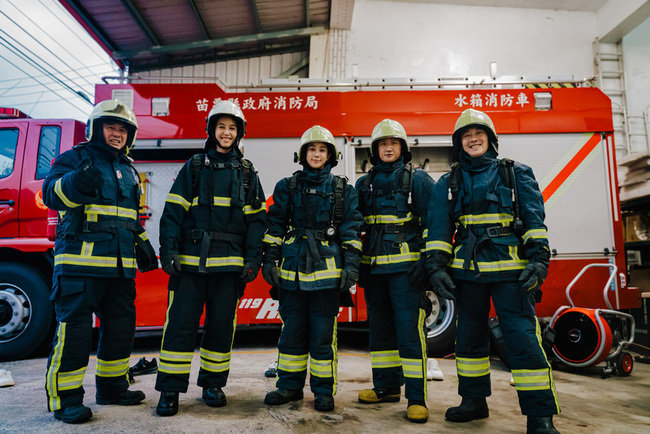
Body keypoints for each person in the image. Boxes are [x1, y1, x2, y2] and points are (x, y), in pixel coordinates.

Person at [425, 108, 559, 434]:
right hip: (467, 276)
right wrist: (436, 268)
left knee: (523, 341)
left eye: (478, 134)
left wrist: (539, 261)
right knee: (469, 341)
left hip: (512, 274)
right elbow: (439, 229)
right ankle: (473, 401)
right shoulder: (448, 181)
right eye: (466, 136)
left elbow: (533, 222)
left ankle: (540, 416)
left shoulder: (516, 174)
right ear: (460, 143)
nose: (473, 139)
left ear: (491, 139)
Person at [43, 99, 159, 424]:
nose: (117, 133)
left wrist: (144, 243)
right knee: (75, 332)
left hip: (120, 268)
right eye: (111, 127)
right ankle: (65, 400)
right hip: (80, 266)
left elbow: (130, 216)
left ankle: (112, 388)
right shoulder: (74, 159)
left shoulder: (128, 170)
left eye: (123, 129)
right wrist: (74, 184)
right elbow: (51, 194)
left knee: (121, 329)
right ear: (96, 128)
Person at [154, 100, 266, 416]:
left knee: (220, 328)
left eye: (232, 128)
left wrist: (253, 259)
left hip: (228, 268)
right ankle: (170, 391)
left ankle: (212, 385)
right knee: (179, 327)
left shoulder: (247, 173)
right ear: (211, 130)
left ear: (239, 133)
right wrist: (169, 252)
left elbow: (257, 222)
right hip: (190, 265)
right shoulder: (194, 166)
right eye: (221, 127)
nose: (226, 133)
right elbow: (172, 212)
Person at [262, 125, 363, 412]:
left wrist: (351, 268)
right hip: (292, 273)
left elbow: (352, 232)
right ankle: (288, 387)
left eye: (322, 150)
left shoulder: (343, 190)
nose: (316, 154)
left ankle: (322, 391)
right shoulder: (287, 187)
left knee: (322, 336)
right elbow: (275, 227)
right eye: (312, 149)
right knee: (292, 332)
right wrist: (269, 260)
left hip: (327, 276)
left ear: (330, 156)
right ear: (303, 154)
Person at [355, 119, 434, 423]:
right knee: (380, 330)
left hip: (406, 272)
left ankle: (416, 397)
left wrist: (427, 263)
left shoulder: (419, 181)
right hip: (375, 272)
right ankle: (386, 387)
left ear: (403, 148)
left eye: (394, 143)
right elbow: (355, 226)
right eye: (382, 144)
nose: (388, 148)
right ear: (375, 150)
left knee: (410, 332)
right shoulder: (364, 184)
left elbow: (434, 222)